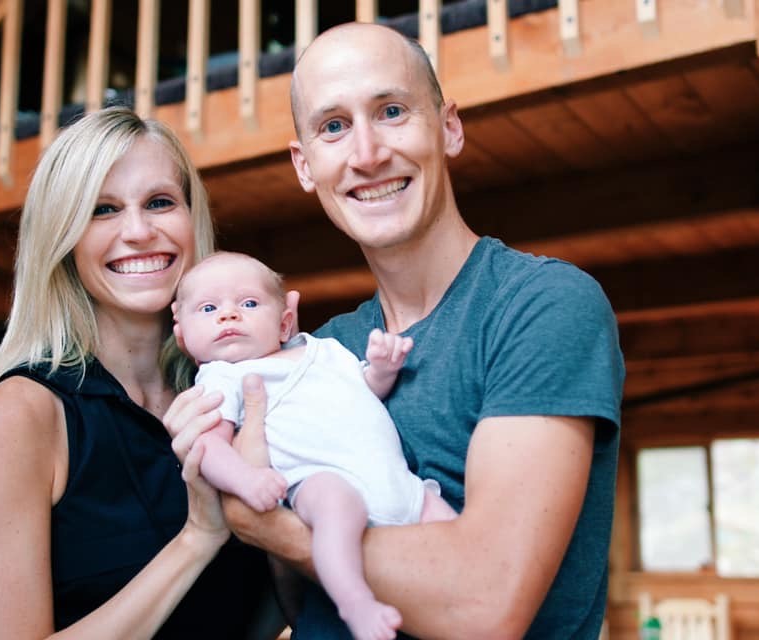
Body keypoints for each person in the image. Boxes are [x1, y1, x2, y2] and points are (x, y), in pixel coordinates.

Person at [164, 22, 626, 639]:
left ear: (448, 127)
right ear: (305, 165)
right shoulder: (323, 350)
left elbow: (485, 607)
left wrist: (267, 524)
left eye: (391, 111)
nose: (367, 154)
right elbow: (299, 603)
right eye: (334, 126)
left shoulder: (540, 304)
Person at [0, 107, 279, 639]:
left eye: (159, 202)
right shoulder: (17, 414)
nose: (139, 231)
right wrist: (198, 537)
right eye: (102, 209)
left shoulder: (235, 386)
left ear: (191, 218)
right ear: (62, 237)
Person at [173, 251, 456, 640]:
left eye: (249, 303)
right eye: (208, 308)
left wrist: (382, 370)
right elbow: (208, 447)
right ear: (183, 335)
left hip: (399, 485)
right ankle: (356, 601)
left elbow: (362, 390)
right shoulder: (224, 377)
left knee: (454, 539)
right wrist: (246, 479)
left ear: (284, 322)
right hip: (316, 481)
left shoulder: (326, 349)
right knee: (337, 509)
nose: (229, 315)